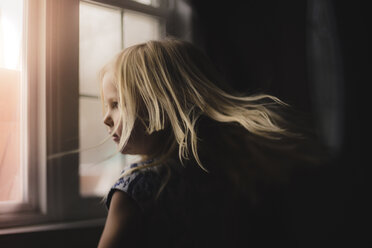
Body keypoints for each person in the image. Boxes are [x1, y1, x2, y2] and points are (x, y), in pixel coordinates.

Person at [97, 38, 326, 248]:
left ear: (161, 103)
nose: (106, 118)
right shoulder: (229, 173)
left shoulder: (134, 189)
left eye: (116, 104)